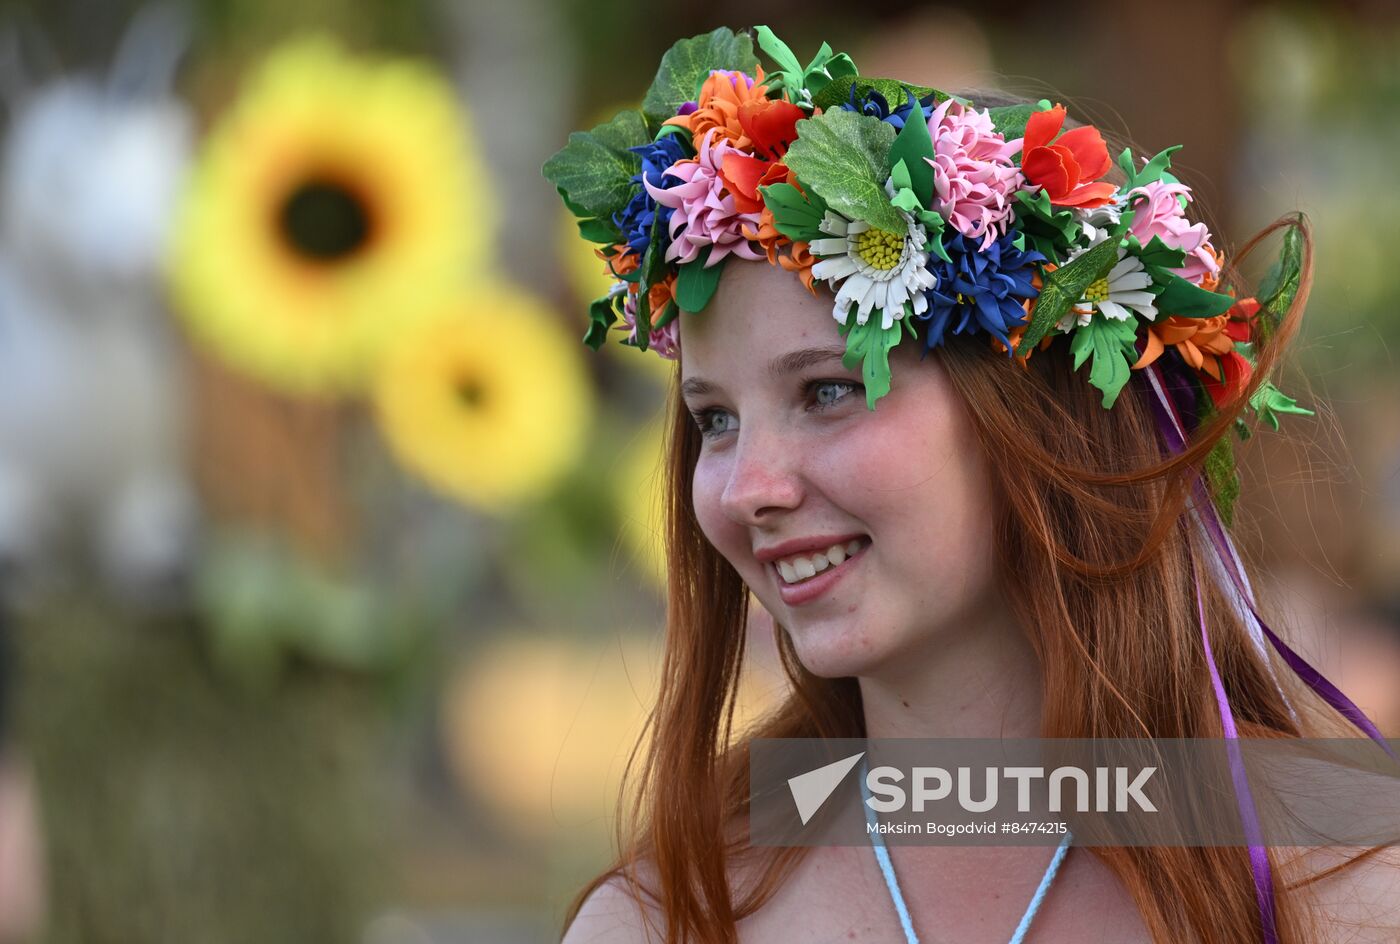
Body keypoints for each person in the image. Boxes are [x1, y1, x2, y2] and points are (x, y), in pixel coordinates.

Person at [545, 26, 1400, 943]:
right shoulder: (668, 916)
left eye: (828, 390)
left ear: (1041, 415)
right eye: (716, 420)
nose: (748, 488)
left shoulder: (1353, 882)